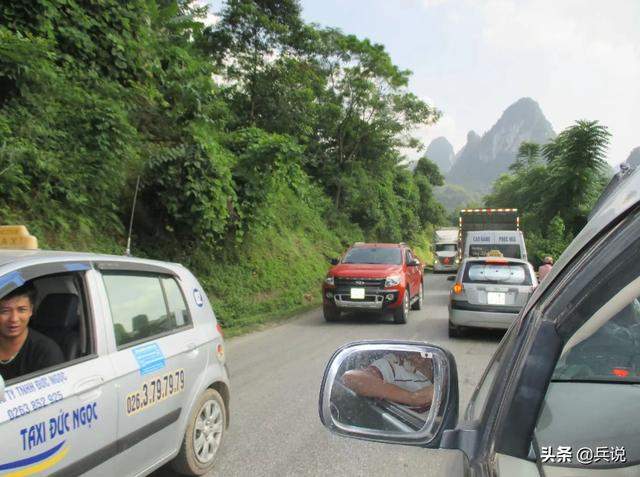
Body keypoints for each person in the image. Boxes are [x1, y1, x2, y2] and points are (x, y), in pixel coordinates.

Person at [0, 283, 64, 381]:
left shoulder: (46, 351)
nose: (14, 319)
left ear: (31, 311)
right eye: (5, 311)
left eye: (21, 310)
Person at [342, 352, 434, 412]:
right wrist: (412, 398)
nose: (422, 355)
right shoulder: (392, 363)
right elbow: (351, 378)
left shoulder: (439, 364)